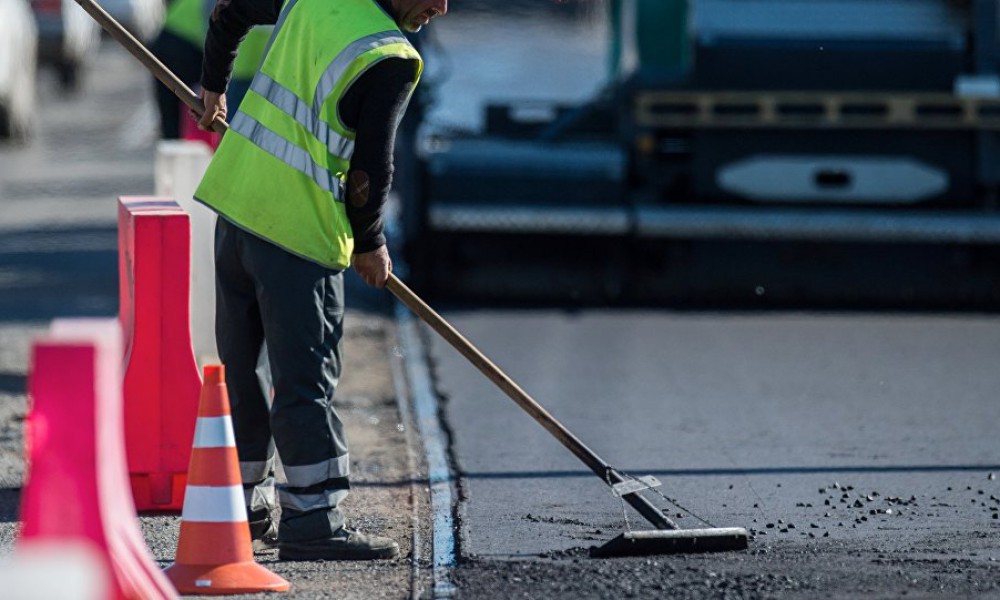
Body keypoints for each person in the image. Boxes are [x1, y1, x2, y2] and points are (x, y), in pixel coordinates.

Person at [193, 0, 447, 561]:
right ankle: (312, 522)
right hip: (296, 236)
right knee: (304, 382)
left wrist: (212, 87)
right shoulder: (390, 56)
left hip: (235, 211)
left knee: (242, 370)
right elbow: (371, 166)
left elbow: (227, 12)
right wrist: (371, 240)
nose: (441, 7)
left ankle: (237, 508)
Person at [151, 0, 270, 138]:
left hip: (170, 34)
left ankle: (175, 145)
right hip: (192, 45)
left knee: (173, 120)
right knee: (211, 113)